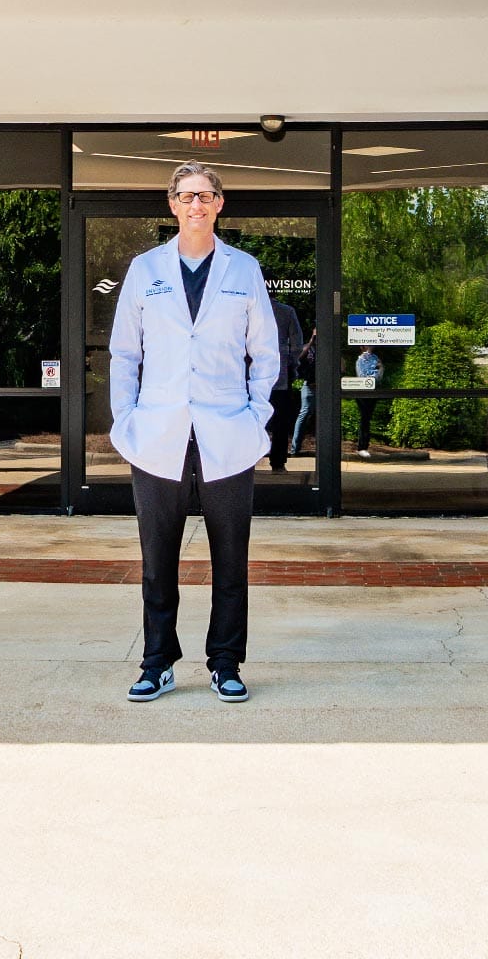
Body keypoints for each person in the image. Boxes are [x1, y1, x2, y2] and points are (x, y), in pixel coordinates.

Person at [108, 160, 279, 704]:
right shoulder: (144, 269)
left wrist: (256, 418)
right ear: (173, 206)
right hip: (158, 437)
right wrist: (125, 421)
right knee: (158, 560)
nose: (197, 205)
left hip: (227, 435)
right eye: (187, 196)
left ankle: (225, 662)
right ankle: (157, 661)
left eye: (206, 195)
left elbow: (265, 354)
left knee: (232, 559)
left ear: (220, 204)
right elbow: (123, 354)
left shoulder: (244, 269)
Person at [265, 296, 305, 472]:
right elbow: (297, 345)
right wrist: (292, 365)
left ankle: (244, 462)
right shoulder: (286, 311)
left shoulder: (246, 309)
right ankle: (278, 461)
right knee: (280, 422)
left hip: (248, 374)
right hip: (280, 375)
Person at [354, 344, 384, 456]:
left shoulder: (375, 358)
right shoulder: (360, 359)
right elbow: (362, 376)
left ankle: (364, 445)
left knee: (367, 418)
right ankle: (362, 446)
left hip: (374, 390)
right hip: (363, 391)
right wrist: (375, 374)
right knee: (364, 418)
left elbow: (379, 374)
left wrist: (378, 371)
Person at [290, 329, 316, 457]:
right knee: (304, 414)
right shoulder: (308, 348)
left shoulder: (328, 349)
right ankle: (295, 448)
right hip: (309, 386)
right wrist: (312, 341)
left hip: (324, 387)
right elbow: (298, 359)